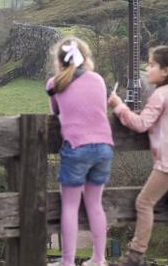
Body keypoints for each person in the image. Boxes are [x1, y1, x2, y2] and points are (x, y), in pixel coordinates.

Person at [108, 44, 168, 266]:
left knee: (144, 202)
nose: (147, 68)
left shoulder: (160, 94)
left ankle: (136, 255)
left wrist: (119, 106)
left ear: (166, 71)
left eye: (152, 65)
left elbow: (141, 123)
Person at [46, 37, 114, 266]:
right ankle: (98, 258)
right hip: (104, 147)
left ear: (59, 61)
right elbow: (99, 109)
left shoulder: (54, 84)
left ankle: (67, 262)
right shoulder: (98, 80)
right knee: (95, 204)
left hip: (76, 148)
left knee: (70, 207)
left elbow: (55, 112)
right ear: (86, 58)